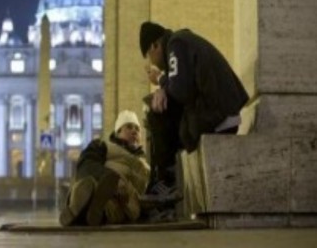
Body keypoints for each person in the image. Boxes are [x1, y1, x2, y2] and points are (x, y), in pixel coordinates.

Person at [139, 21, 249, 202]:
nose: (152, 63)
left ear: (154, 45)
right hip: (218, 109)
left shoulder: (176, 44)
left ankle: (167, 180)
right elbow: (183, 86)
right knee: (161, 104)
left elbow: (181, 91)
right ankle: (163, 181)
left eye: (149, 56)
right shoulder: (181, 42)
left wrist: (160, 80)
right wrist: (164, 87)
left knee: (157, 110)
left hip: (218, 113)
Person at [59, 110, 150, 226]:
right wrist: (114, 181)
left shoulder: (145, 163)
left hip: (126, 202)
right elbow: (86, 164)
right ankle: (85, 207)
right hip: (101, 185)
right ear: (118, 132)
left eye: (137, 129)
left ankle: (84, 212)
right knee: (87, 186)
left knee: (115, 208)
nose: (134, 131)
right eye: (129, 127)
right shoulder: (103, 146)